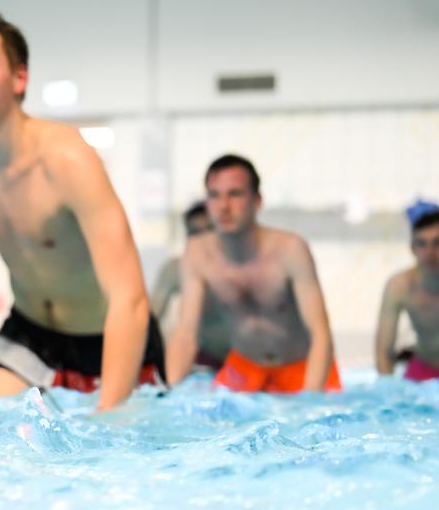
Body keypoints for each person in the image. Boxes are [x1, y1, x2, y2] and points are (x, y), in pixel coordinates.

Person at [0, 10, 164, 411]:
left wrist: (111, 414)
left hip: (109, 333)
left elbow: (130, 299)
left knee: (120, 434)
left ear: (19, 78)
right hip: (31, 332)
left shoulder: (68, 159)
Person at [166, 154, 340, 393]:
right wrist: (168, 393)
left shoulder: (290, 249)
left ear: (257, 201)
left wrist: (310, 398)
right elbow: (185, 334)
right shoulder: (197, 253)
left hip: (301, 367)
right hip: (244, 368)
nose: (224, 206)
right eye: (214, 195)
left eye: (235, 194)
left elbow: (320, 334)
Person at [150, 202, 230, 369]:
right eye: (195, 232)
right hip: (203, 359)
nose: (202, 239)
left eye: (209, 230)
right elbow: (150, 319)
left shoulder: (243, 268)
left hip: (246, 359)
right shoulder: (175, 269)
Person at [374, 201, 439, 381]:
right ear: (412, 248)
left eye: (437, 243)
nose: (430, 253)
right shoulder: (400, 286)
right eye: (422, 244)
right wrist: (387, 389)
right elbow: (383, 351)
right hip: (424, 369)